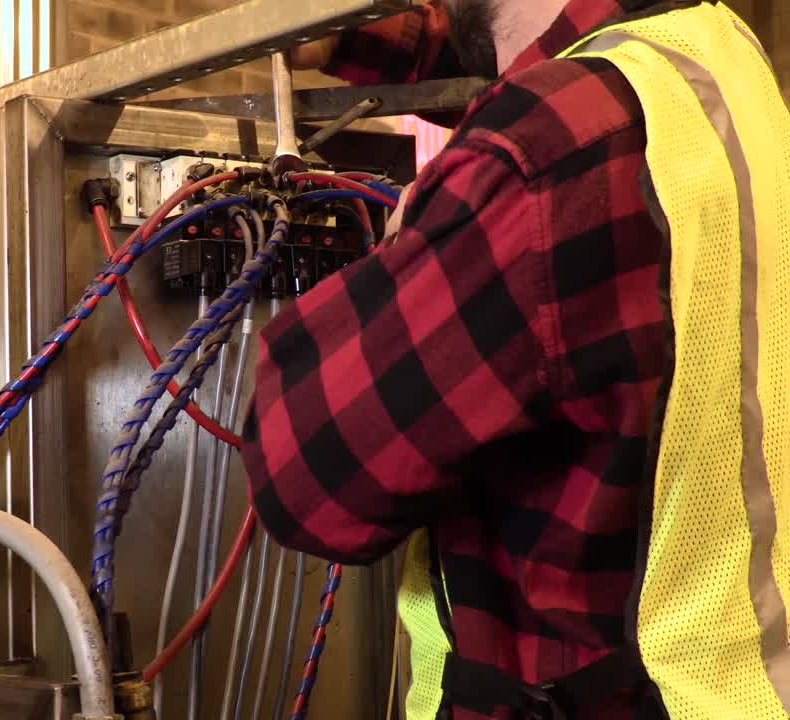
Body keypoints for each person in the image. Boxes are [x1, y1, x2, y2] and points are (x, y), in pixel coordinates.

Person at [241, 1, 790, 718]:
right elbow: (509, 51)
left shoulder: (546, 145)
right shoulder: (713, 56)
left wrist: (409, 252)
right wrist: (354, 37)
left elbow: (307, 479)